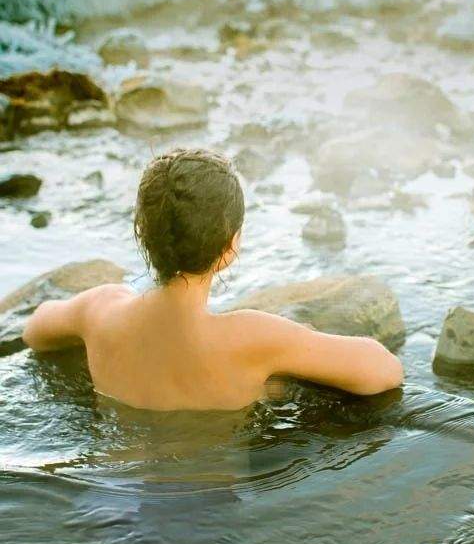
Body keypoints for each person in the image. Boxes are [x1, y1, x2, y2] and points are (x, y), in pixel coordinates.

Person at [22, 148, 404, 411]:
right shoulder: (252, 338)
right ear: (230, 247)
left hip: (110, 504)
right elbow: (384, 371)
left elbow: (35, 332)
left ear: (142, 233)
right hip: (210, 516)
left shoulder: (101, 310)